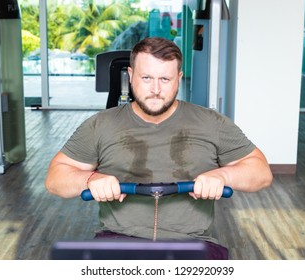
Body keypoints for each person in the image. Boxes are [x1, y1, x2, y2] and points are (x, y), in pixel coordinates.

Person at [45, 37, 273, 259]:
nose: (155, 89)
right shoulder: (100, 125)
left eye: (165, 79)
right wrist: (90, 180)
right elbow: (55, 178)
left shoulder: (212, 123)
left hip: (192, 243)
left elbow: (261, 173)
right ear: (131, 76)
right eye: (146, 78)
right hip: (118, 240)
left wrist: (223, 175)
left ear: (179, 79)